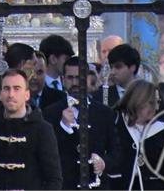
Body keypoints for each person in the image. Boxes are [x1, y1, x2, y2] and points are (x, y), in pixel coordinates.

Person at [42, 55, 120, 190]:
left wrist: (104, 162)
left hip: (96, 186)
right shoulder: (50, 112)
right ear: (63, 79)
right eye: (70, 78)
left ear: (88, 79)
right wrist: (64, 127)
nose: (75, 83)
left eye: (79, 78)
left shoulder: (104, 113)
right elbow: (46, 153)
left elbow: (117, 151)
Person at [0, 68, 62, 189]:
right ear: (0, 94)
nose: (11, 94)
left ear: (27, 94)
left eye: (17, 89)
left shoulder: (43, 130)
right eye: (6, 88)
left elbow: (53, 179)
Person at [109, 79, 164, 190]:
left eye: (158, 102)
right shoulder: (114, 123)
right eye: (151, 102)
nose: (156, 107)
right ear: (137, 100)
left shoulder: (162, 130)